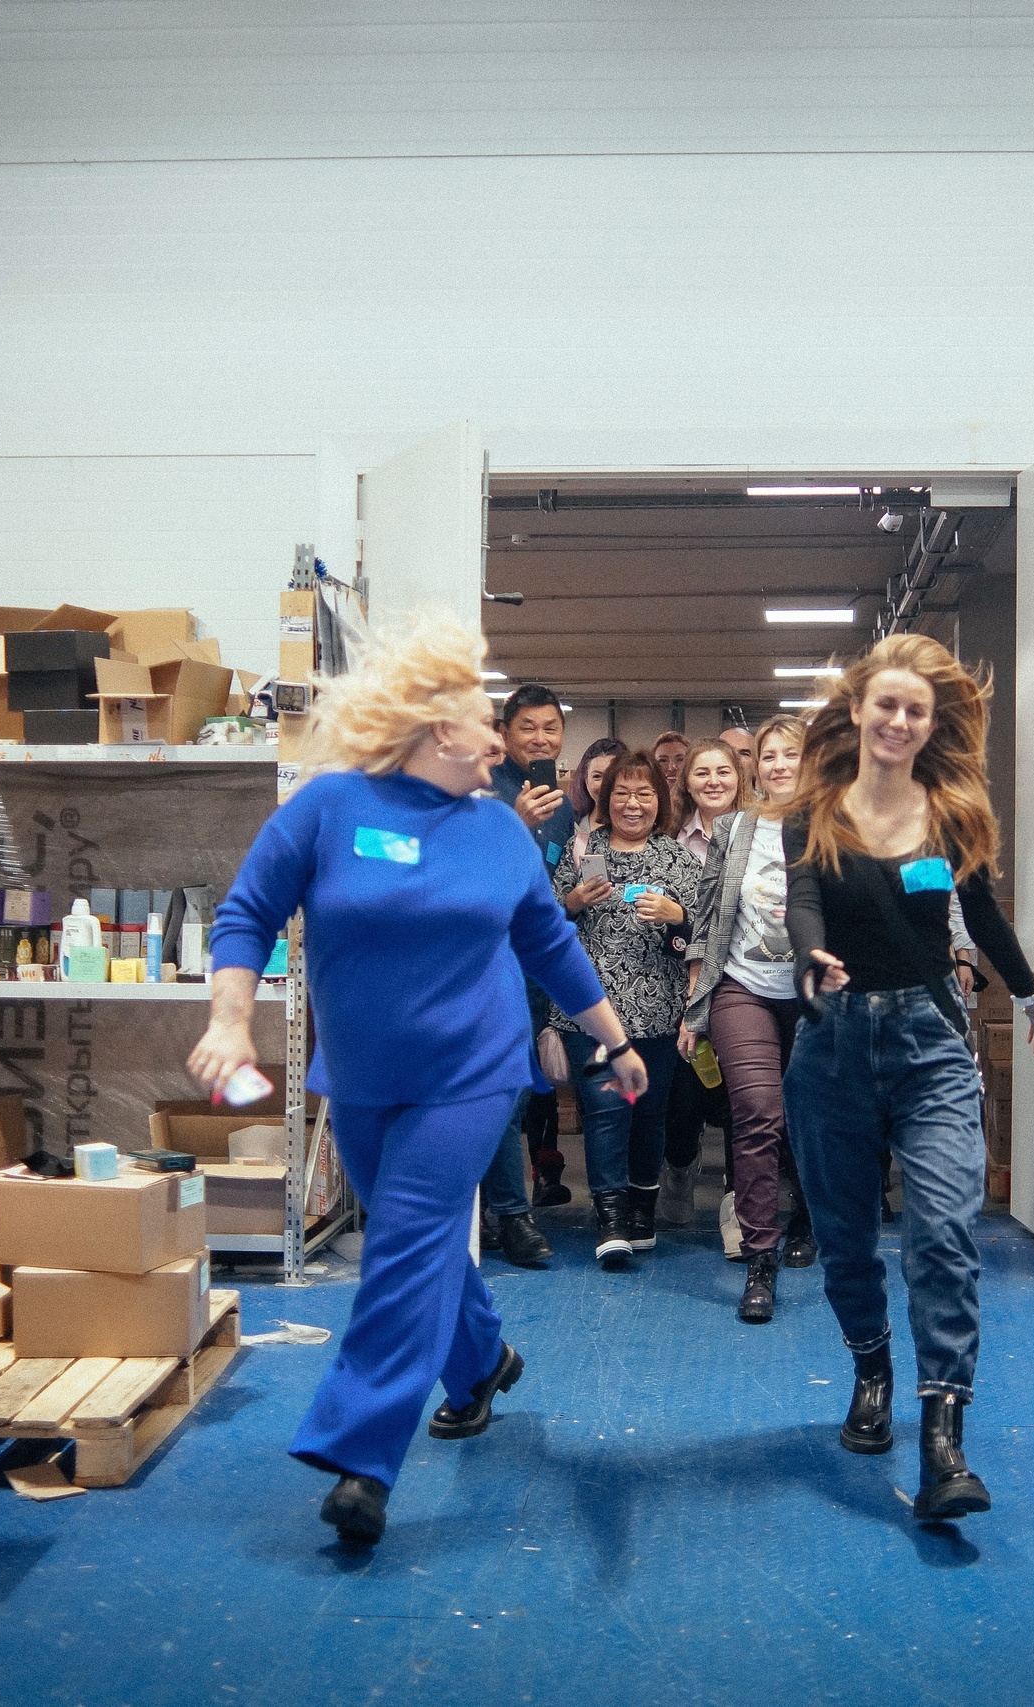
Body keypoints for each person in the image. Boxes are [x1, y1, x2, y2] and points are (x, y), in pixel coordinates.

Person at [190, 615, 646, 1547]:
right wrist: (230, 1018)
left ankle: (362, 1453)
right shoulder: (329, 808)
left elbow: (550, 946)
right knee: (424, 1239)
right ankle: (480, 1362)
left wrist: (615, 1039)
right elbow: (247, 911)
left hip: (472, 1073)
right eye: (488, 721)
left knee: (402, 1238)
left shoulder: (501, 833)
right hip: (360, 1075)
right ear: (440, 730)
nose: (505, 741)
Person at [780, 633, 1034, 1524]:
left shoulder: (951, 818)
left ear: (931, 725)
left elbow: (979, 914)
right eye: (886, 705)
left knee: (941, 1228)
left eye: (916, 710)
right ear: (858, 711)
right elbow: (803, 905)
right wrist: (808, 960)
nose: (899, 721)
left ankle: (944, 1436)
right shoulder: (815, 813)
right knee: (848, 1236)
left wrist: (1033, 992)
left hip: (931, 1040)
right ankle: (871, 1368)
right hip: (831, 1041)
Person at [682, 715, 820, 1323]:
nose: (779, 765)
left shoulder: (834, 829)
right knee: (756, 1113)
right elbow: (711, 916)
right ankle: (759, 1260)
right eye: (769, 756)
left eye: (791, 755)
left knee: (808, 1118)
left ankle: (808, 1219)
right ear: (755, 767)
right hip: (743, 988)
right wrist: (697, 998)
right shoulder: (735, 828)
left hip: (814, 995)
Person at [547, 747, 701, 1268]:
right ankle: (610, 1220)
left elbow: (702, 935)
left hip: (657, 1010)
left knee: (648, 1114)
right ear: (604, 797)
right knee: (607, 1110)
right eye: (622, 793)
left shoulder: (678, 859)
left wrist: (676, 914)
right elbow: (544, 924)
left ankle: (642, 1209)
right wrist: (573, 903)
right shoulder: (581, 850)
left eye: (644, 793)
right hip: (590, 1010)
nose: (633, 804)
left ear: (660, 800)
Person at [476, 683, 575, 1264]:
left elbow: (544, 885)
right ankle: (510, 1216)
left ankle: (499, 1210)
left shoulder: (560, 803)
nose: (540, 739)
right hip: (485, 963)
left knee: (513, 1094)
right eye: (528, 728)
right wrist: (513, 823)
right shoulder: (484, 789)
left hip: (534, 965)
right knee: (501, 1092)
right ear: (505, 732)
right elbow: (470, 874)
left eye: (551, 729)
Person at [655, 739, 747, 1224]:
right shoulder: (667, 841)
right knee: (685, 1099)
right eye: (702, 772)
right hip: (678, 987)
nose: (713, 781)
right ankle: (679, 1167)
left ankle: (738, 1203)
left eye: (723, 772)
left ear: (739, 778)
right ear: (685, 781)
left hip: (742, 985)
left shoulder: (760, 837)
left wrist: (684, 915)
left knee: (740, 1097)